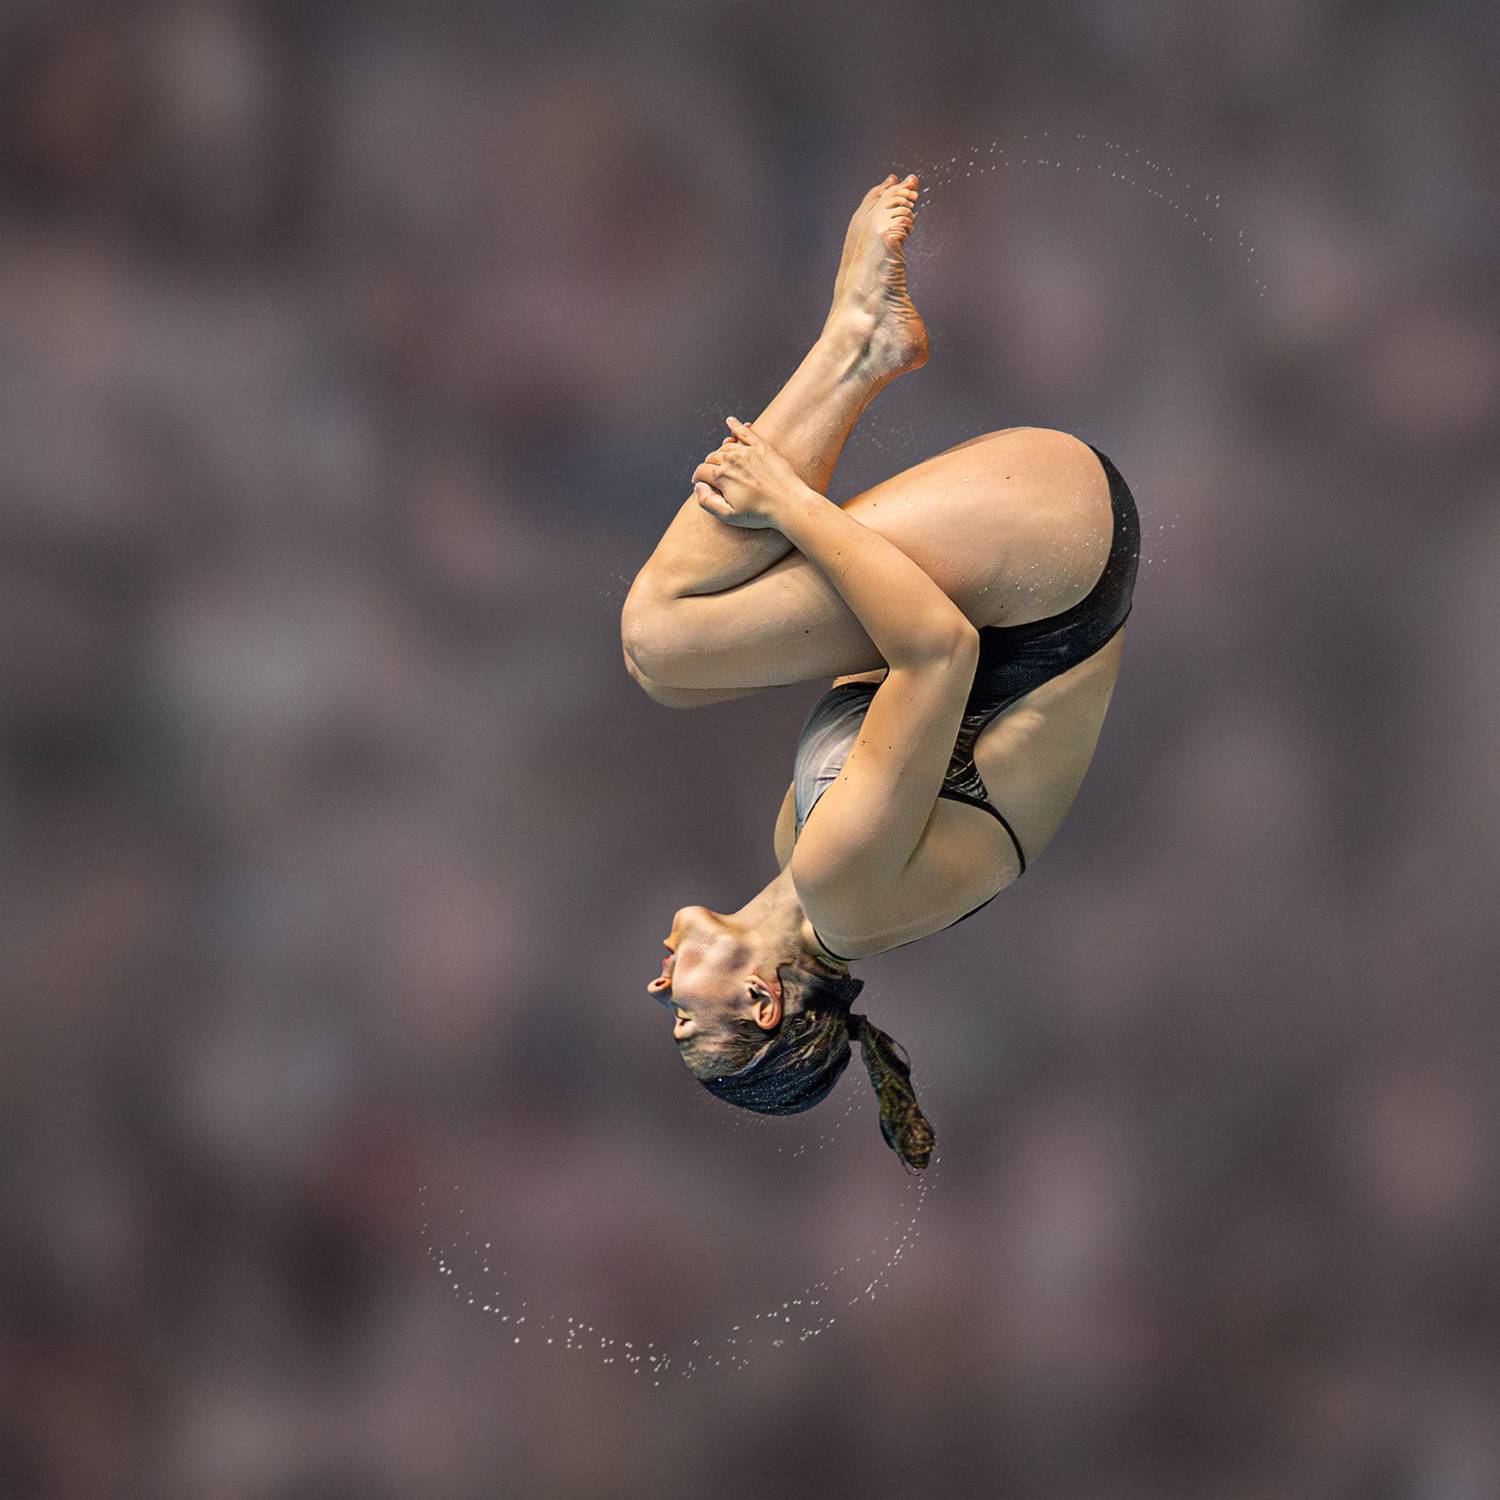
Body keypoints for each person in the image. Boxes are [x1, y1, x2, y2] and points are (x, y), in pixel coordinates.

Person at [620, 174, 1139, 1171]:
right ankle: (857, 343)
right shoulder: (844, 883)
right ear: (765, 998)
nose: (661, 994)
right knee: (662, 638)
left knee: (672, 661)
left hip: (1028, 586)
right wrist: (789, 505)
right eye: (687, 1023)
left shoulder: (807, 858)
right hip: (1051, 560)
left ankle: (862, 345)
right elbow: (936, 650)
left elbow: (905, 664)